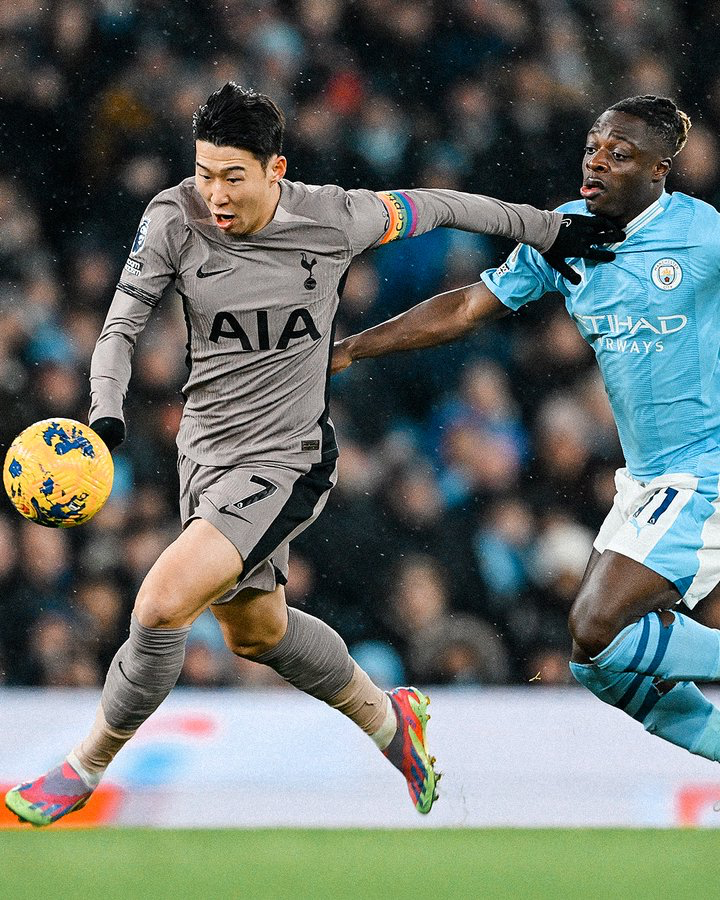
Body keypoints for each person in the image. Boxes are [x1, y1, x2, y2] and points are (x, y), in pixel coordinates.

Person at [5, 82, 621, 827]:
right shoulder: (172, 216)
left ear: (276, 169)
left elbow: (447, 204)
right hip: (204, 455)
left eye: (234, 176)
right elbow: (119, 327)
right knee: (256, 631)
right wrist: (104, 414)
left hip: (288, 458)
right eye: (205, 173)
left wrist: (550, 230)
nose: (216, 194)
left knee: (161, 603)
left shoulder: (336, 216)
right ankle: (392, 724)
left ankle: (83, 767)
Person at [332, 93, 720, 768]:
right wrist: (353, 348)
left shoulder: (701, 234)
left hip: (707, 466)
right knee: (594, 664)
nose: (597, 162)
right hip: (649, 477)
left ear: (660, 170)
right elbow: (465, 308)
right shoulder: (566, 234)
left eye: (619, 154)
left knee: (596, 624)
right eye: (593, 148)